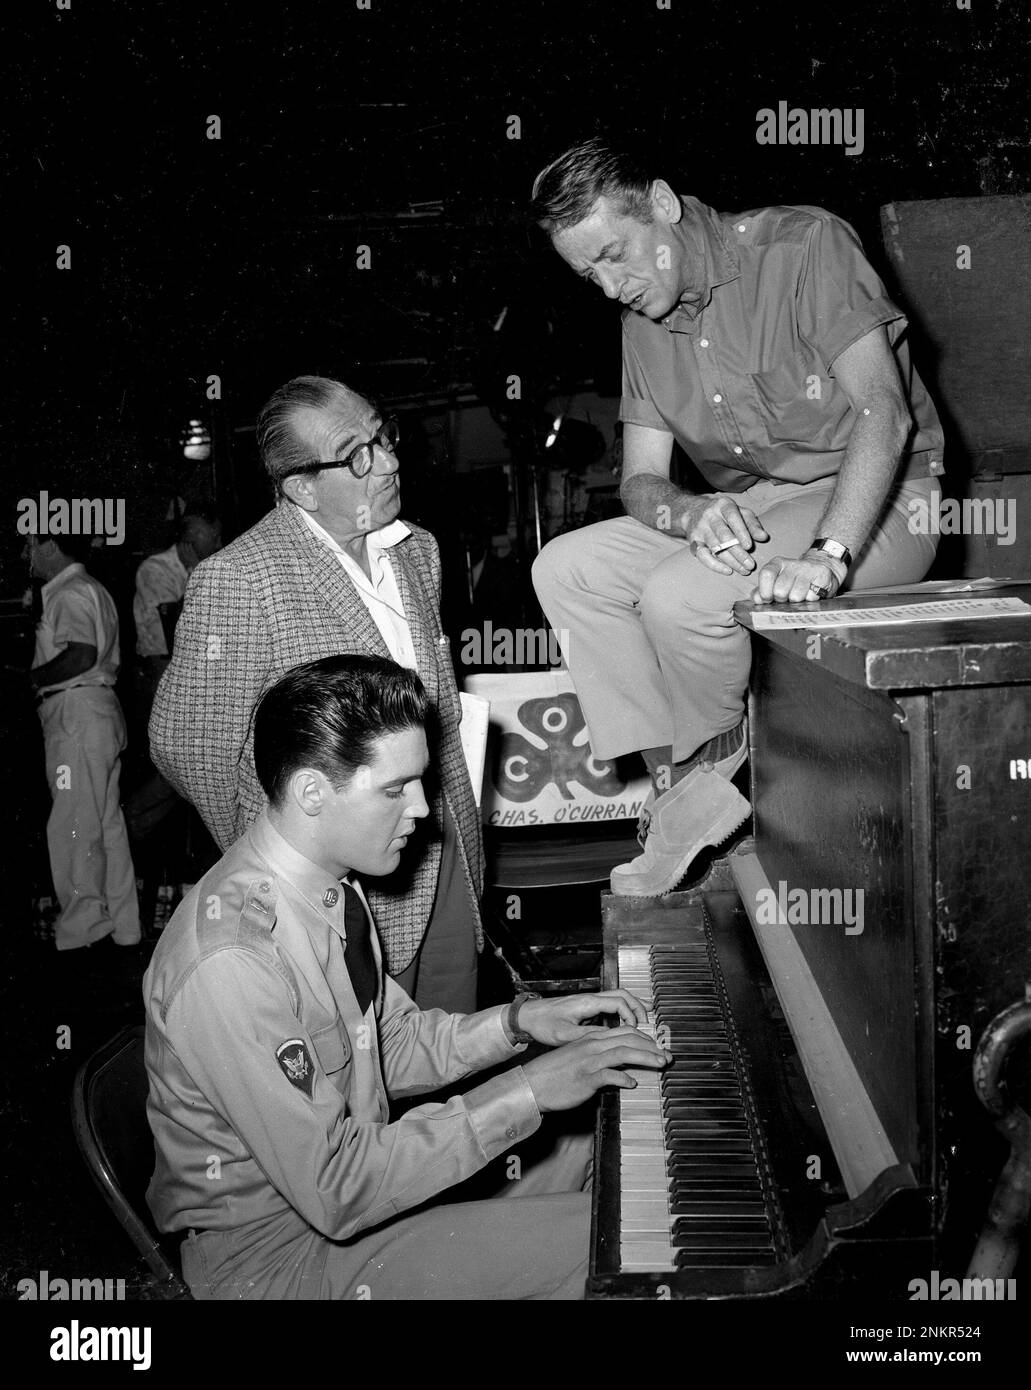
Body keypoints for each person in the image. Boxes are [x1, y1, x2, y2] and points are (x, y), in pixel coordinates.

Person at [144, 655, 668, 1300]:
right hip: (276, 1264)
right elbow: (339, 1190)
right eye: (395, 789)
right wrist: (529, 1089)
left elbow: (388, 1047)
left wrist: (518, 1023)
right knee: (626, 1244)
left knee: (602, 1142)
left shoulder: (332, 888)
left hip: (341, 1216)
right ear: (312, 792)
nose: (424, 807)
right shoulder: (232, 961)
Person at [529, 139, 945, 897]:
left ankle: (707, 788)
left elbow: (884, 415)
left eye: (615, 256)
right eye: (587, 274)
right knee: (566, 568)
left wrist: (827, 554)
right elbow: (640, 483)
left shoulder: (803, 244)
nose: (609, 286)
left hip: (883, 497)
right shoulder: (640, 321)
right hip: (764, 503)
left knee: (682, 596)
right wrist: (688, 512)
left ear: (661, 203)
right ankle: (678, 785)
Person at [149, 377, 482, 1012]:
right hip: (338, 894)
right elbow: (185, 746)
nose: (388, 461)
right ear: (302, 486)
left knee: (453, 1057)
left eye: (384, 437)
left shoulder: (419, 552)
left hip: (448, 856)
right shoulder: (240, 578)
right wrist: (286, 855)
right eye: (358, 454)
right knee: (363, 1089)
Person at [26, 532, 140, 951]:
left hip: (75, 715)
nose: (27, 555)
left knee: (73, 823)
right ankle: (125, 927)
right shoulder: (93, 588)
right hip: (99, 713)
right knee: (106, 825)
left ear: (52, 546)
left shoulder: (68, 593)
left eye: (31, 546)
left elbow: (81, 654)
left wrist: (32, 679)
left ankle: (82, 932)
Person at [127, 504, 222, 845]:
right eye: (208, 535)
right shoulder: (156, 570)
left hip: (188, 679)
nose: (216, 541)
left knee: (188, 774)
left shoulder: (207, 568)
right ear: (189, 536)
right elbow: (177, 629)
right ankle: (130, 828)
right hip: (159, 676)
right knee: (175, 771)